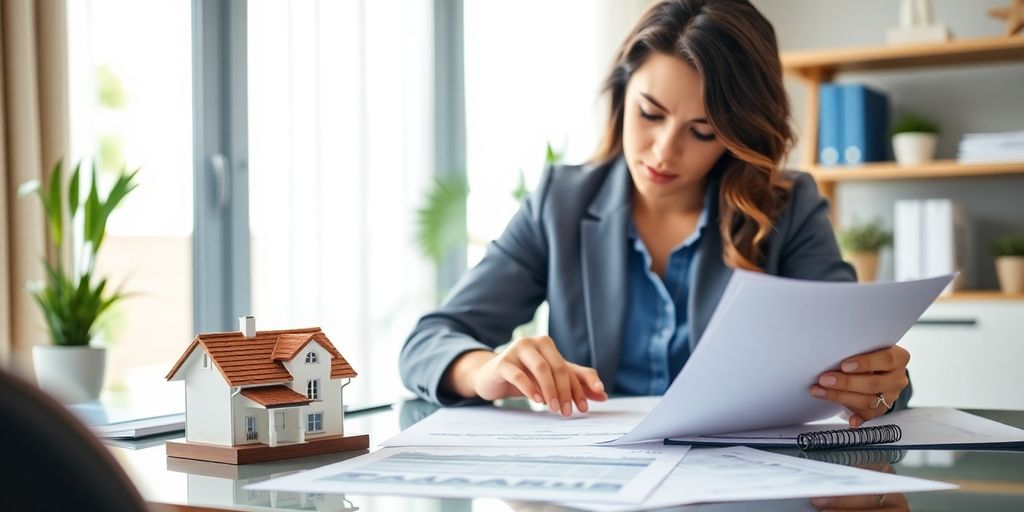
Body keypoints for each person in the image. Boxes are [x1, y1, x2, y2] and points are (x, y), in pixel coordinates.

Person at [400, 0, 911, 427]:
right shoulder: (560, 202)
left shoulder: (788, 207)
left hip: (737, 483)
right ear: (622, 95)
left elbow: (870, 365)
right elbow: (427, 342)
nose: (665, 151)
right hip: (597, 484)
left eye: (703, 131)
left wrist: (880, 384)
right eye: (650, 113)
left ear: (738, 135)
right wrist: (486, 371)